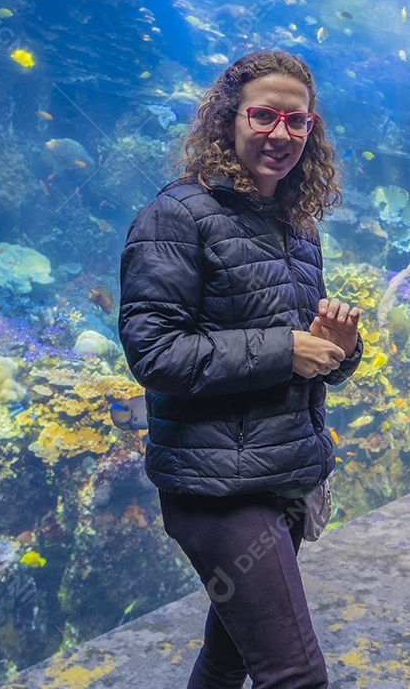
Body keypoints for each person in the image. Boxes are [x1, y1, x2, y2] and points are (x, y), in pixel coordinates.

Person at [118, 50, 362, 689]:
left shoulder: (296, 225)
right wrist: (289, 348)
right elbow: (154, 354)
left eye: (297, 122)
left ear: (312, 131)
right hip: (218, 491)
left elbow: (311, 360)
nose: (281, 135)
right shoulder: (176, 216)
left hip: (281, 475)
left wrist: (335, 348)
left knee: (227, 662)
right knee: (296, 675)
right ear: (229, 118)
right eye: (264, 116)